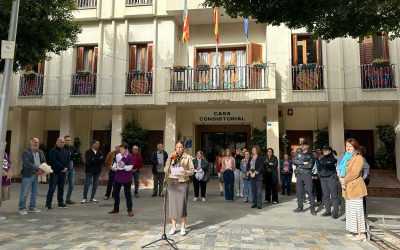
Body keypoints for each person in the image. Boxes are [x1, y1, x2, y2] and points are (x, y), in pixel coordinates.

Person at [339, 138, 367, 241]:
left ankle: (361, 233)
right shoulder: (347, 158)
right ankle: (354, 231)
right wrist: (340, 178)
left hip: (355, 187)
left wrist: (344, 180)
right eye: (347, 146)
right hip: (347, 188)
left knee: (356, 211)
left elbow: (355, 173)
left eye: (350, 146)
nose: (348, 148)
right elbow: (340, 170)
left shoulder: (358, 158)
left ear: (355, 147)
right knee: (350, 211)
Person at [165, 141, 194, 236]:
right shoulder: (171, 156)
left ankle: (183, 227)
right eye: (177, 147)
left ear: (183, 148)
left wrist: (185, 172)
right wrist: (170, 158)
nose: (178, 149)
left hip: (183, 182)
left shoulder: (188, 157)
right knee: (172, 205)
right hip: (172, 182)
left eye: (180, 147)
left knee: (182, 205)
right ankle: (173, 227)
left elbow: (192, 170)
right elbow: (166, 170)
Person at [19, 138, 46, 215]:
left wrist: (42, 169)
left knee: (35, 192)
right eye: (35, 142)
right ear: (31, 143)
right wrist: (38, 169)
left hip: (38, 175)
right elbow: (27, 163)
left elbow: (44, 161)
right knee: (24, 193)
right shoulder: (26, 152)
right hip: (28, 175)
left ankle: (32, 207)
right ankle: (21, 208)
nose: (37, 144)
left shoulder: (40, 152)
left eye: (38, 142)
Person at [108, 142, 134, 217]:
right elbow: (116, 164)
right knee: (115, 193)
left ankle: (129, 210)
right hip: (118, 176)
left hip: (126, 177)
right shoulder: (118, 155)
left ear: (126, 149)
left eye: (122, 149)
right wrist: (113, 167)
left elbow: (130, 167)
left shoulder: (130, 156)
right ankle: (116, 208)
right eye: (120, 149)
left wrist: (124, 166)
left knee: (127, 194)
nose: (121, 151)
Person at [293, 141, 317, 215]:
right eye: (301, 145)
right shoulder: (298, 154)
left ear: (307, 146)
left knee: (310, 192)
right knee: (299, 192)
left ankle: (312, 209)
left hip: (307, 175)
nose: (302, 146)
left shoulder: (311, 155)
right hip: (299, 175)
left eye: (304, 145)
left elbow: (309, 166)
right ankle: (300, 207)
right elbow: (294, 161)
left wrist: (299, 164)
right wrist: (303, 163)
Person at [46, 137, 70, 210]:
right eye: (60, 142)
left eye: (63, 142)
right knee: (52, 188)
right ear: (57, 142)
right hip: (55, 173)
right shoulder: (53, 151)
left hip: (63, 173)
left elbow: (68, 160)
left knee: (61, 188)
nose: (62, 143)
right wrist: (62, 168)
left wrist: (66, 168)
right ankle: (48, 205)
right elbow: (54, 161)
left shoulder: (66, 151)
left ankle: (60, 203)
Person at [318, 145, 339, 219]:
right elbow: (319, 168)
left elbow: (337, 169)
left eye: (326, 150)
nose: (324, 151)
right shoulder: (321, 159)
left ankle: (335, 213)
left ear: (330, 151)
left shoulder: (334, 159)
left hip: (331, 178)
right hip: (323, 179)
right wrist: (319, 174)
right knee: (325, 196)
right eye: (323, 150)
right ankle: (328, 211)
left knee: (334, 196)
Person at [64, 135, 80, 205]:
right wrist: (72, 156)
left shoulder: (72, 147)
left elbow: (77, 154)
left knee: (72, 184)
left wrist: (72, 156)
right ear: (64, 141)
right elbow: (66, 157)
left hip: (72, 167)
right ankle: (60, 200)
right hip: (65, 168)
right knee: (62, 184)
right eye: (67, 140)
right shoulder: (62, 148)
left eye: (69, 140)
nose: (68, 141)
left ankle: (68, 199)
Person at [1, 148, 13, 220]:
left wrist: (10, 173)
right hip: (2, 177)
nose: (5, 145)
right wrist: (5, 173)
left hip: (5, 179)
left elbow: (9, 164)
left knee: (1, 197)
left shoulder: (5, 153)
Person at [359, 146, 370, 215]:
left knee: (361, 196)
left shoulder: (362, 159)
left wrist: (363, 177)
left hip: (360, 181)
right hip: (356, 181)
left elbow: (367, 168)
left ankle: (363, 212)